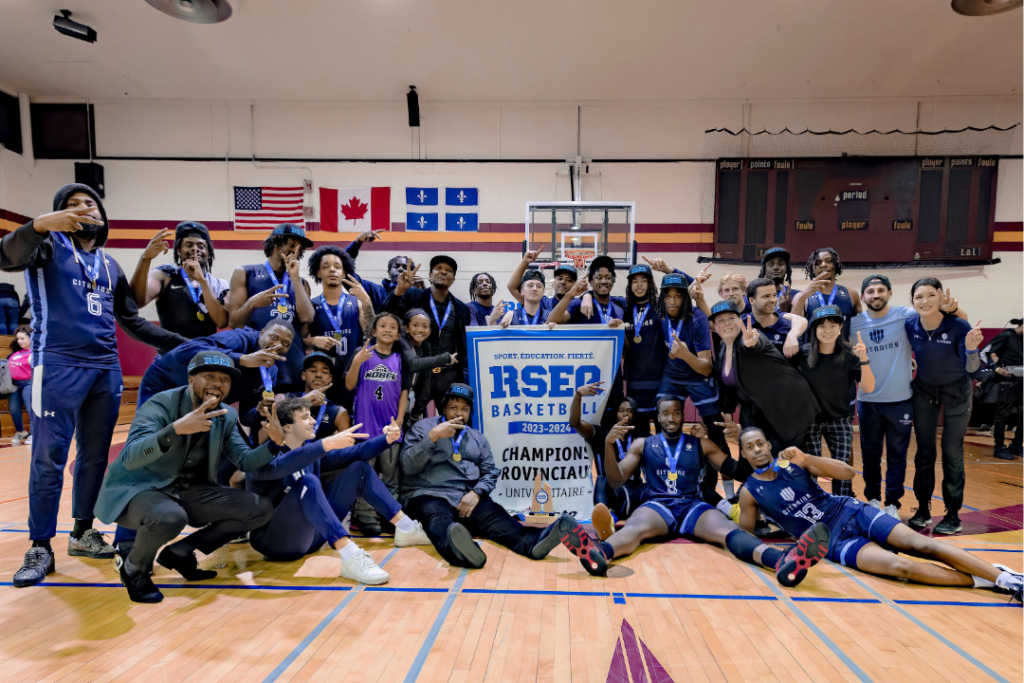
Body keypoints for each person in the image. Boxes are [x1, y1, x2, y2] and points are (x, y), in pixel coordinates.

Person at [2, 183, 188, 589]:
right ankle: (39, 546)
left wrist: (188, 345)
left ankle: (83, 532)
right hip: (56, 365)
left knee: (93, 458)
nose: (84, 208)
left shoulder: (110, 266)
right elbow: (6, 255)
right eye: (73, 205)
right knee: (48, 458)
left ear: (102, 217)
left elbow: (133, 320)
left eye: (91, 203)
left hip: (105, 369)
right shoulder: (45, 247)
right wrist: (39, 225)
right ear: (60, 216)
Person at [736, 429, 1022, 603]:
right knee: (901, 568)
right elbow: (747, 536)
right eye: (749, 447)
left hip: (851, 511)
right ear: (743, 454)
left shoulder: (792, 462)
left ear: (769, 445)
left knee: (922, 545)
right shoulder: (750, 492)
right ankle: (987, 579)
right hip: (834, 542)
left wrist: (808, 459)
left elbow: (848, 473)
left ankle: (1010, 581)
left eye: (760, 443)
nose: (757, 449)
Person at [578, 396, 830, 588]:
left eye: (677, 413)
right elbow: (614, 479)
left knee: (728, 531)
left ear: (682, 416)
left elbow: (738, 471)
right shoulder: (644, 444)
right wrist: (609, 445)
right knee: (634, 529)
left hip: (692, 506)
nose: (672, 418)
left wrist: (735, 439)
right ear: (657, 417)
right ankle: (600, 552)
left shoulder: (701, 443)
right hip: (657, 505)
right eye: (666, 413)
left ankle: (779, 560)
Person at [93, 351, 282, 603]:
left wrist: (275, 444)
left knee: (259, 509)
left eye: (224, 379)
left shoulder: (226, 415)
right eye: (209, 376)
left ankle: (180, 552)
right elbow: (131, 456)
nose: (217, 383)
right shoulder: (160, 404)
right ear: (191, 379)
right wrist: (176, 429)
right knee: (170, 517)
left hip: (190, 491)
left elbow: (245, 461)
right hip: (141, 490)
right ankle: (133, 569)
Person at [400, 383, 592, 569]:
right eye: (453, 407)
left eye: (464, 409)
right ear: (443, 408)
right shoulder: (423, 428)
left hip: (467, 498)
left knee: (499, 518)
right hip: (430, 495)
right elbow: (408, 466)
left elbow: (491, 471)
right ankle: (462, 551)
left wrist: (476, 493)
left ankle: (533, 543)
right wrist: (433, 436)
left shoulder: (477, 438)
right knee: (438, 521)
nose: (458, 413)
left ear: (470, 412)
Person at [246, 397, 431, 584]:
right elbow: (285, 464)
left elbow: (358, 452)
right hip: (276, 542)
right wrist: (327, 443)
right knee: (308, 482)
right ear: (286, 426)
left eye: (311, 415)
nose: (312, 421)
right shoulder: (260, 458)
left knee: (359, 469)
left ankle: (407, 528)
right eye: (305, 417)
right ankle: (351, 556)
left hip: (313, 539)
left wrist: (388, 439)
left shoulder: (312, 452)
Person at [851, 274, 968, 520]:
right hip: (868, 400)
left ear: (890, 294)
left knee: (898, 456)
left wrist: (954, 309)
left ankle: (893, 502)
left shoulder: (906, 314)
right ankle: (872, 499)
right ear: (863, 297)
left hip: (901, 399)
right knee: (870, 455)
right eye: (870, 292)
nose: (876, 295)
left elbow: (960, 323)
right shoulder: (852, 323)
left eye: (881, 290)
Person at [905, 278, 984, 535]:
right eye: (919, 297)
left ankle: (952, 514)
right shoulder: (910, 325)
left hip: (957, 392)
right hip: (925, 390)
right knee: (924, 454)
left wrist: (972, 351)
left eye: (930, 295)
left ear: (941, 297)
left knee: (951, 452)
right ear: (912, 301)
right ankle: (923, 510)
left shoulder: (959, 326)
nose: (925, 301)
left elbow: (973, 369)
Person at [709, 300, 819, 455]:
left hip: (789, 406)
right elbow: (727, 387)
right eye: (721, 320)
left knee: (780, 458)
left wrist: (751, 344)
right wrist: (727, 415)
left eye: (731, 318)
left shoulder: (752, 336)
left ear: (739, 320)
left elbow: (755, 345)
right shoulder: (722, 349)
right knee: (755, 454)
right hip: (758, 408)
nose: (727, 323)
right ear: (715, 326)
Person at [794, 306, 874, 497]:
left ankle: (842, 507)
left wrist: (864, 359)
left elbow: (868, 387)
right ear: (814, 330)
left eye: (832, 325)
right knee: (810, 470)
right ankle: (813, 506)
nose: (827, 330)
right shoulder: (802, 355)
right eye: (821, 326)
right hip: (810, 421)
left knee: (841, 469)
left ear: (840, 328)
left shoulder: (849, 355)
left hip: (840, 420)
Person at [227, 223, 315, 395]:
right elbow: (234, 323)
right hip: (258, 366)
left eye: (299, 247)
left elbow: (307, 318)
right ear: (275, 243)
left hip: (292, 368)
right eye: (291, 244)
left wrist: (295, 278)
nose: (295, 250)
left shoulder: (301, 283)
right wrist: (252, 303)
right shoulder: (246, 273)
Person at [138, 319, 292, 407]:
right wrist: (242, 359)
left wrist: (261, 409)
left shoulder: (271, 374)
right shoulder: (238, 339)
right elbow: (185, 351)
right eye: (273, 337)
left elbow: (247, 417)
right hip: (165, 383)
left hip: (197, 400)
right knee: (146, 444)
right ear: (262, 333)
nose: (278, 345)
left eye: (285, 344)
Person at [384, 255, 471, 405]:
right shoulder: (412, 295)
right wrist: (399, 291)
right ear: (430, 275)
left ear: (453, 279)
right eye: (438, 268)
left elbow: (464, 344)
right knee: (412, 421)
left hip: (448, 375)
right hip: (416, 374)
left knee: (450, 422)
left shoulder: (462, 308)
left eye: (448, 270)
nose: (443, 272)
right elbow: (385, 317)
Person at [346, 312, 412, 496]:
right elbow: (349, 385)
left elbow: (404, 392)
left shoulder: (401, 359)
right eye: (383, 326)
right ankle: (362, 519)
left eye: (393, 327)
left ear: (399, 335)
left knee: (391, 480)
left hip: (390, 428)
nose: (388, 329)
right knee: (362, 477)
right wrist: (357, 362)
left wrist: (399, 421)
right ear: (374, 331)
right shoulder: (361, 354)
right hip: (365, 428)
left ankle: (390, 522)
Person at [570, 382, 647, 538]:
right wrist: (578, 395)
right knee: (601, 480)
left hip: (636, 490)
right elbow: (575, 423)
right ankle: (604, 522)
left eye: (629, 411)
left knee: (657, 486)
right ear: (615, 414)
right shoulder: (601, 433)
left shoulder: (640, 437)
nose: (625, 415)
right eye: (621, 411)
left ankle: (616, 520)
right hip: (614, 491)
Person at [129, 221, 230, 338]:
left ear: (208, 251)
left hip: (204, 353)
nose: (195, 249)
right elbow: (136, 302)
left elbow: (222, 322)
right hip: (171, 354)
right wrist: (145, 259)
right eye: (189, 245)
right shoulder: (165, 275)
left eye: (201, 246)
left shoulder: (219, 284)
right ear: (178, 249)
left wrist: (202, 281)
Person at [305, 245, 374, 408]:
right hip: (324, 377)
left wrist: (367, 301)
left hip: (354, 373)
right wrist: (314, 339)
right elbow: (296, 342)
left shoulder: (356, 302)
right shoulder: (312, 305)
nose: (332, 270)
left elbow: (371, 333)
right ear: (318, 273)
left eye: (337, 267)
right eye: (325, 266)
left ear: (344, 273)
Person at [399, 308, 457, 427]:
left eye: (425, 326)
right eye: (415, 325)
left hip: (411, 400)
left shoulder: (426, 346)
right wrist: (444, 358)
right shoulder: (402, 341)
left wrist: (418, 410)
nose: (420, 330)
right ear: (406, 328)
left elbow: (426, 379)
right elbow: (414, 364)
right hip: (395, 397)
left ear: (430, 331)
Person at [792, 247, 861, 339]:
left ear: (835, 265)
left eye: (828, 261)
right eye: (817, 263)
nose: (823, 265)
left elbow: (863, 326)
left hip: (842, 352)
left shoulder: (851, 294)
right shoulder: (802, 297)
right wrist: (802, 297)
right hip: (812, 352)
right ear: (812, 268)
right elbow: (791, 328)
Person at [546, 256, 625, 326]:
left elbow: (626, 342)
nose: (604, 281)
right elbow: (550, 321)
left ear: (612, 281)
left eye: (608, 278)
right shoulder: (577, 303)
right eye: (599, 278)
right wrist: (570, 295)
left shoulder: (620, 306)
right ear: (591, 281)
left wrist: (620, 329)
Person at [985, 319, 1023, 459]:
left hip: (1022, 381)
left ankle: (1017, 445)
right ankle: (999, 447)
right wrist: (997, 369)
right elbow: (985, 353)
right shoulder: (1006, 336)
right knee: (1002, 416)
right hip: (1007, 381)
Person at [505, 244, 578, 316]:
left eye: (569, 280)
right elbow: (512, 287)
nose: (563, 282)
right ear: (553, 282)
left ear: (575, 285)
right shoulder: (541, 302)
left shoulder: (579, 304)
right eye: (560, 278)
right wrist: (525, 262)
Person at [742, 277, 806, 357]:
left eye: (774, 295)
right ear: (751, 300)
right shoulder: (740, 324)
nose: (773, 300)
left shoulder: (789, 328)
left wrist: (792, 336)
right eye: (766, 296)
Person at [7, 325, 33, 446]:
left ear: (31, 337)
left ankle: (34, 433)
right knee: (13, 409)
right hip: (14, 385)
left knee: (31, 409)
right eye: (18, 339)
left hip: (29, 383)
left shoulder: (35, 353)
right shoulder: (16, 353)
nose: (20, 341)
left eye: (22, 338)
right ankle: (20, 432)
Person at [758, 247, 801, 314]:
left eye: (780, 264)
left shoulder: (798, 296)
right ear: (764, 270)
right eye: (771, 264)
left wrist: (787, 311)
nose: (776, 267)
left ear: (787, 268)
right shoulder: (754, 296)